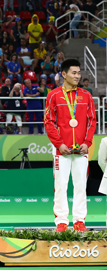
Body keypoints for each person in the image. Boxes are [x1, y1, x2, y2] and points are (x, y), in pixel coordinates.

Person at [44, 59, 96, 232]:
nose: (78, 76)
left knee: (81, 184)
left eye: (79, 73)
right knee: (61, 185)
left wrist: (87, 143)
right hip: (62, 150)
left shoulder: (86, 95)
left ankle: (79, 220)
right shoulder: (53, 95)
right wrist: (59, 144)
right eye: (74, 73)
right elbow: (49, 122)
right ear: (64, 74)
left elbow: (91, 121)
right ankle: (61, 222)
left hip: (81, 149)